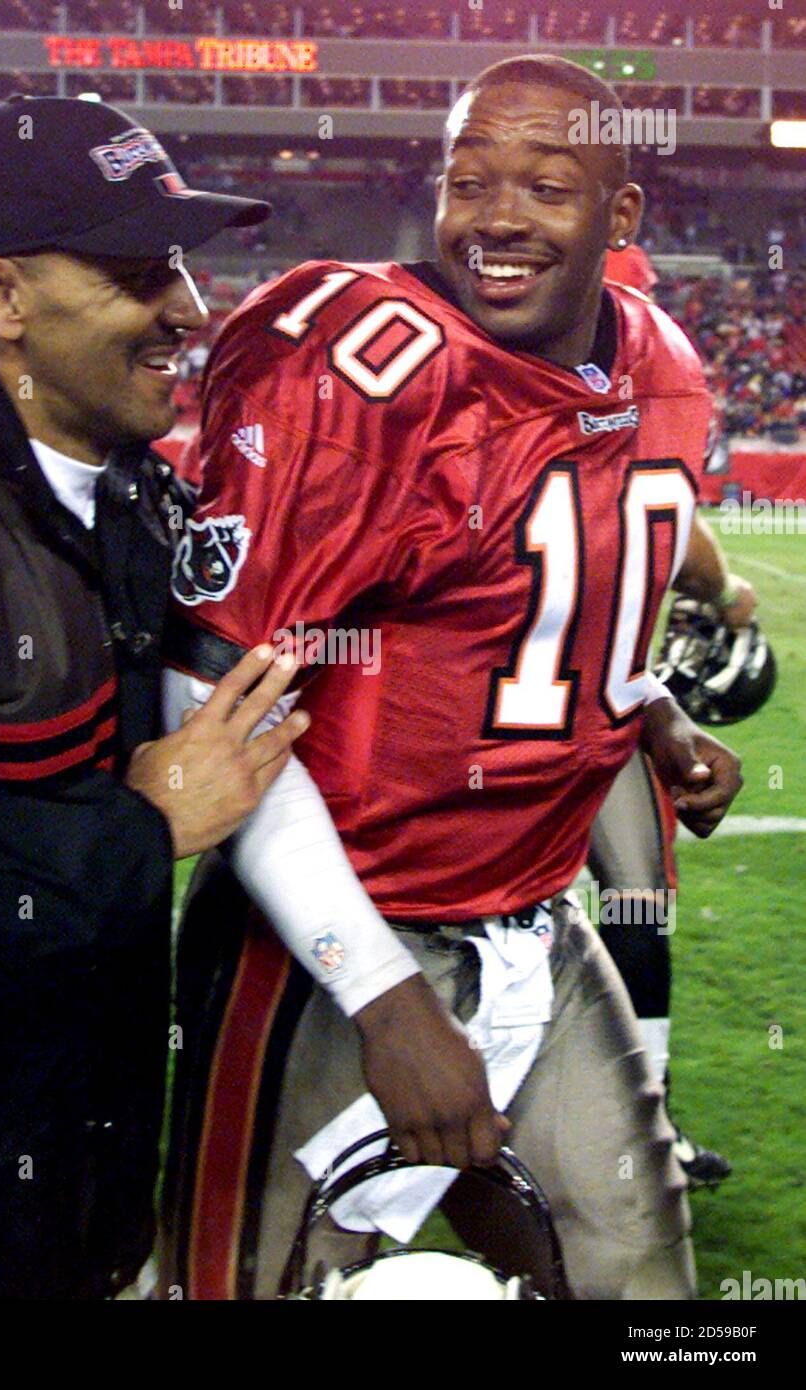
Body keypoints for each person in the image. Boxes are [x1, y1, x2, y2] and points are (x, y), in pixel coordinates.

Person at [160, 57, 744, 1300]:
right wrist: (379, 997)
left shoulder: (661, 366)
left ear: (621, 220)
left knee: (645, 1291)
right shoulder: (355, 365)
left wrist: (649, 710)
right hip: (333, 943)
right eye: (468, 180)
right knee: (246, 1288)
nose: (498, 217)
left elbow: (551, 598)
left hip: (538, 916)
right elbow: (207, 698)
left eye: (546, 184)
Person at [0, 96, 310, 1300]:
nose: (189, 311)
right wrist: (144, 827)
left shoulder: (125, 494)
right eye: (134, 269)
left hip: (72, 1190)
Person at [589, 515, 758, 1188]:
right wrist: (722, 592)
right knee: (635, 902)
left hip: (472, 705)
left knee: (634, 906)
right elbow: (682, 535)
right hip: (582, 704)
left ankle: (646, 1124)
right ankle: (645, 1129)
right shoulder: (632, 420)